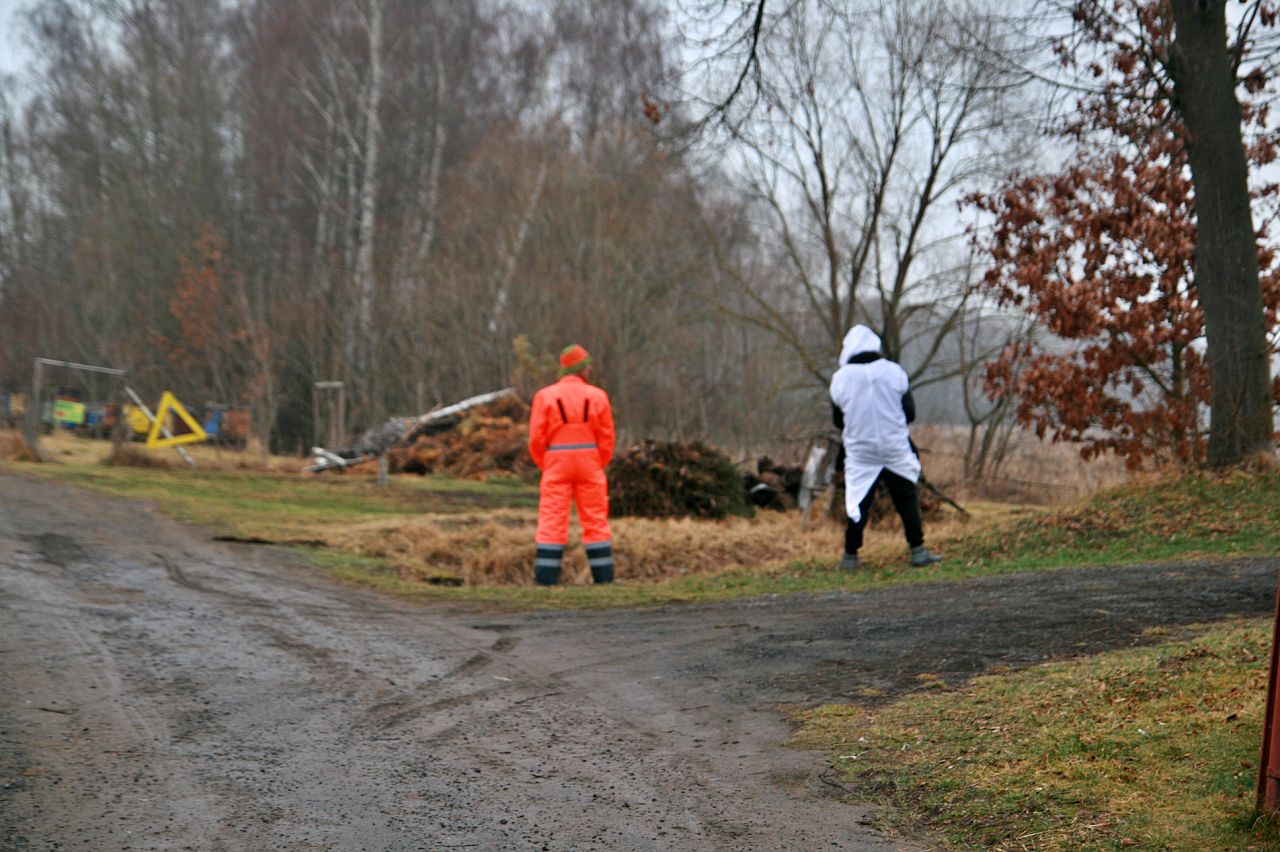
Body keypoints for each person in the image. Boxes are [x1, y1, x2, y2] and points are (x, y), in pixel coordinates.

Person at [829, 325, 943, 571]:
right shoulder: (894, 371)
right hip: (894, 447)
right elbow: (910, 413)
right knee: (906, 498)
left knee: (858, 502)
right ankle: (918, 552)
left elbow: (838, 422)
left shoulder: (841, 378)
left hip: (861, 451)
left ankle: (849, 557)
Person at [528, 344, 616, 585]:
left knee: (552, 519)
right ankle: (604, 579)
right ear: (581, 368)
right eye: (588, 365)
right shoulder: (598, 396)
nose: (590, 369)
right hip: (590, 462)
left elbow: (536, 438)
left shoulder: (544, 396)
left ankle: (546, 580)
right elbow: (607, 436)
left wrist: (545, 462)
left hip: (556, 461)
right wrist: (598, 461)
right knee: (595, 519)